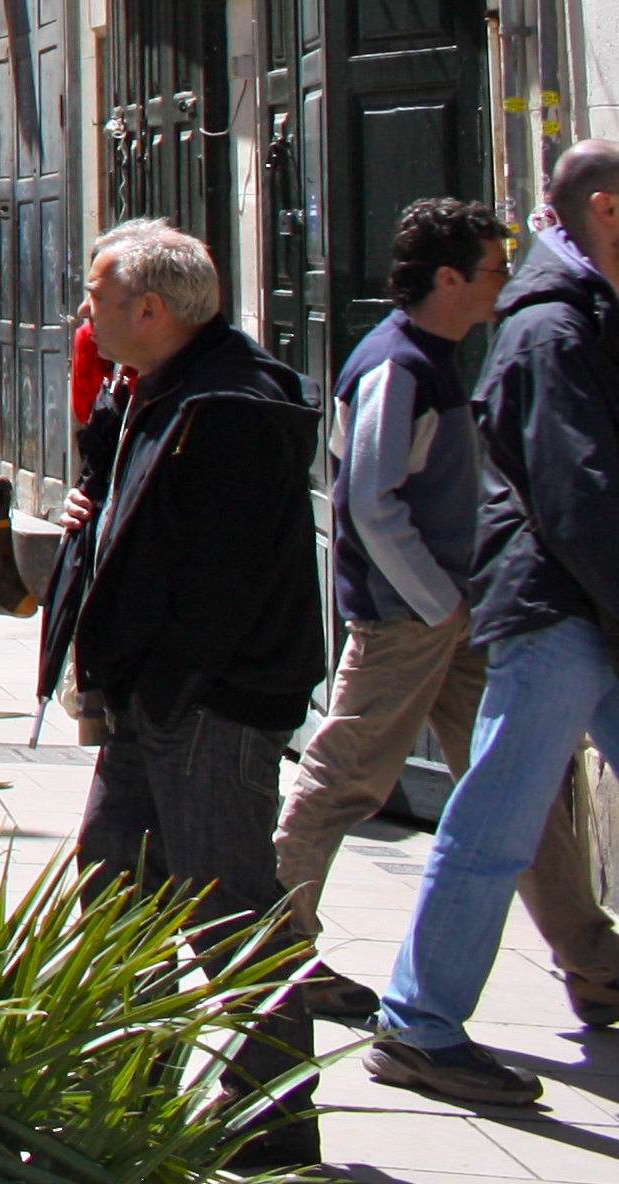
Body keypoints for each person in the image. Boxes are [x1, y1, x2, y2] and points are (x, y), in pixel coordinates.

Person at [272, 197, 619, 1030]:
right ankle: (273, 947)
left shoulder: (446, 355)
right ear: (449, 278)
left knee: (513, 787)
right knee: (343, 776)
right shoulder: (398, 364)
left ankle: (594, 961)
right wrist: (435, 605)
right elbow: (369, 500)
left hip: (459, 617)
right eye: (495, 269)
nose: (507, 282)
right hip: (407, 622)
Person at [39, 220, 324, 1149]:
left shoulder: (233, 408)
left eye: (98, 297)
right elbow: (130, 508)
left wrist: (169, 685)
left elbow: (223, 579)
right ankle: (127, 1102)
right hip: (144, 700)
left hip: (206, 705)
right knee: (114, 896)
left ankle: (274, 1125)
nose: (85, 312)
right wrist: (93, 492)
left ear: (151, 311)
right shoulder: (151, 389)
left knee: (231, 913)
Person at [374, 142, 619, 1109]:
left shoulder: (580, 316)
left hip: (585, 604)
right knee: (493, 824)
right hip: (558, 609)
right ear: (606, 210)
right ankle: (419, 1023)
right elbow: (579, 494)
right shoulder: (554, 331)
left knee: (497, 821)